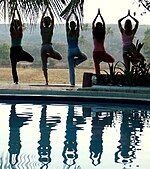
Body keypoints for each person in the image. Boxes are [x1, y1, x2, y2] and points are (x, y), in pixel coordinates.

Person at [10, 6, 34, 84]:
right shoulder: (20, 33)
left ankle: (16, 81)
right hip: (19, 50)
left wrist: (14, 12)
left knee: (13, 67)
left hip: (13, 50)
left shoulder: (12, 33)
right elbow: (19, 23)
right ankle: (18, 59)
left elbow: (11, 25)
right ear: (19, 25)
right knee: (31, 59)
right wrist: (18, 13)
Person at [40, 6, 62, 85]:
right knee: (59, 57)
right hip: (49, 46)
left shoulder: (42, 29)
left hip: (43, 47)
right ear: (49, 22)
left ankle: (46, 81)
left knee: (44, 65)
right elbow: (53, 20)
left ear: (43, 22)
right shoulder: (50, 29)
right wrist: (49, 9)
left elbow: (41, 21)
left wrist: (44, 11)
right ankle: (49, 55)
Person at [66, 9, 87, 86]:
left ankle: (72, 83)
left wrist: (70, 14)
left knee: (71, 69)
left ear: (70, 26)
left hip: (70, 51)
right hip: (76, 49)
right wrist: (75, 15)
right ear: (74, 26)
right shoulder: (76, 32)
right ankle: (76, 62)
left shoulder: (68, 32)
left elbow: (66, 23)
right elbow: (78, 24)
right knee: (84, 57)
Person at [92, 8, 114, 75]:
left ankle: (98, 77)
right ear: (101, 27)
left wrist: (97, 16)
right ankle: (101, 59)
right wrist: (100, 16)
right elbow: (104, 25)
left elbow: (93, 24)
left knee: (97, 67)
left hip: (95, 52)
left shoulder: (94, 34)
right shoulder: (102, 34)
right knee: (112, 60)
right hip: (102, 52)